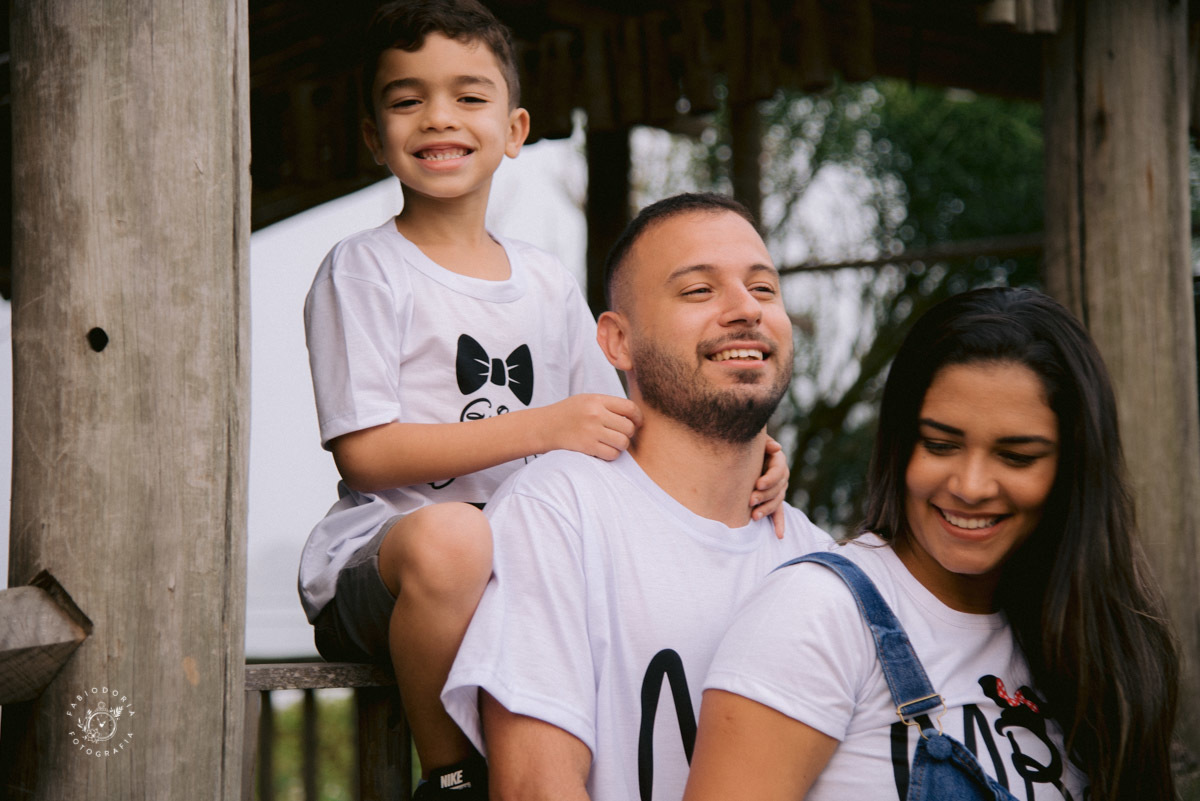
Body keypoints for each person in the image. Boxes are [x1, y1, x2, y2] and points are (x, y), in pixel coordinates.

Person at [298, 5, 790, 798]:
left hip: (515, 564)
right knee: (457, 540)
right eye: (405, 100)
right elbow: (366, 451)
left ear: (516, 127)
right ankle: (453, 772)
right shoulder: (363, 269)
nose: (438, 119)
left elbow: (621, 427)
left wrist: (749, 454)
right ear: (371, 133)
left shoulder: (547, 280)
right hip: (385, 561)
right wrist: (539, 425)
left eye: (468, 96)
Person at [683, 287, 1179, 801]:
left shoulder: (1092, 639)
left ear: (1072, 469)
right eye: (940, 445)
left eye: (1017, 456)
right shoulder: (817, 615)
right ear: (900, 443)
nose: (970, 486)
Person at [442, 192, 833, 801]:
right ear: (617, 341)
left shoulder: (821, 561)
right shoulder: (559, 511)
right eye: (698, 291)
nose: (744, 311)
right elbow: (536, 789)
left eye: (763, 289)